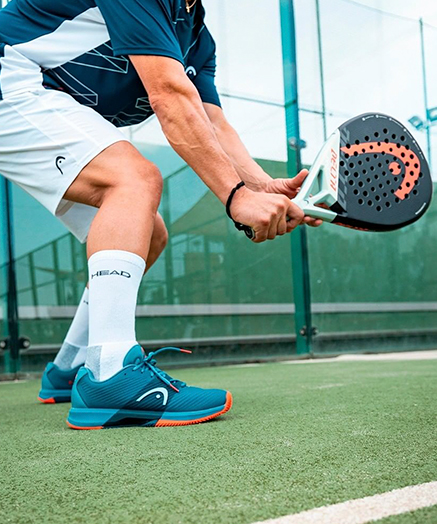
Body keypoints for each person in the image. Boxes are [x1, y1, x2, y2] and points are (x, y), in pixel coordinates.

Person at [0, 0, 318, 429]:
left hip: (31, 93)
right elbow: (168, 94)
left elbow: (212, 124)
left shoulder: (197, 38)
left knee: (148, 233)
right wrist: (237, 196)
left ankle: (69, 368)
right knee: (133, 179)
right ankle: (110, 372)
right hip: (10, 74)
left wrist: (264, 189)